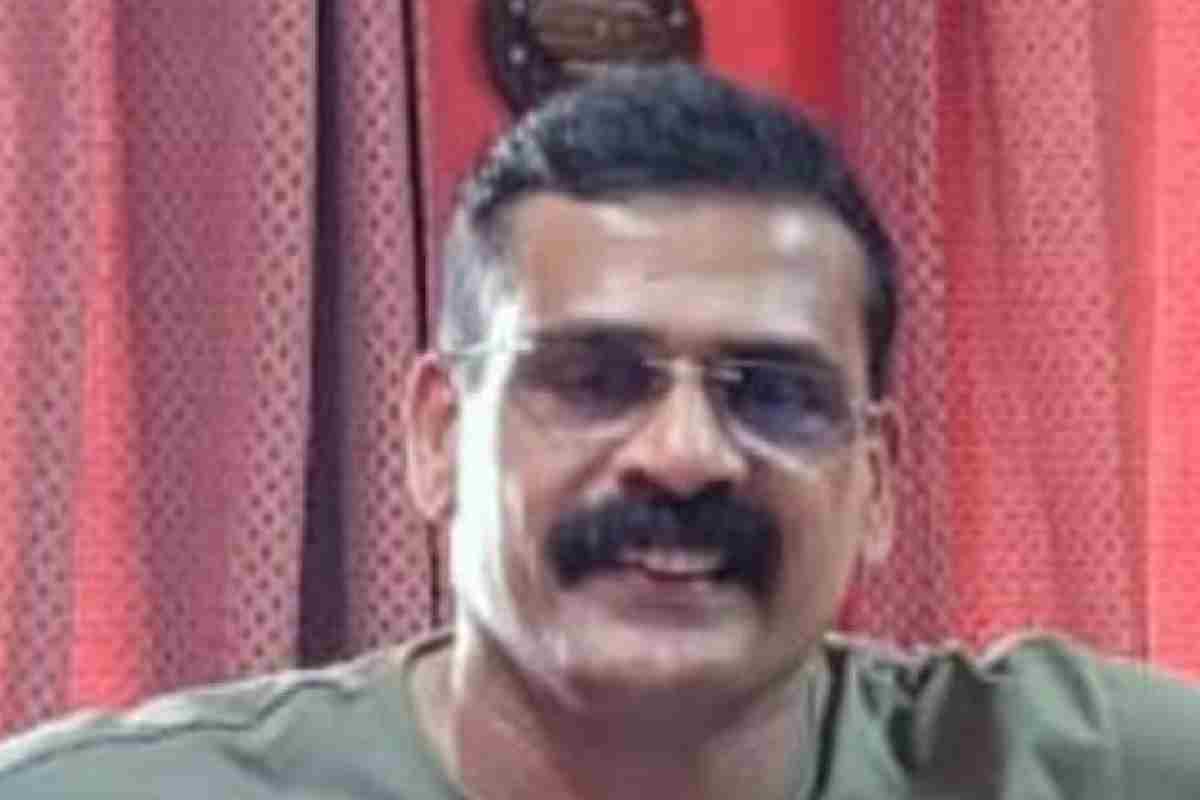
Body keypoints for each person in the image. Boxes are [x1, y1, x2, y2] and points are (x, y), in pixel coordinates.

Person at [1, 63, 1198, 800]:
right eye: (591, 378)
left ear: (877, 481)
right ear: (437, 437)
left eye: (773, 392)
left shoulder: (1070, 766)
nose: (683, 452)